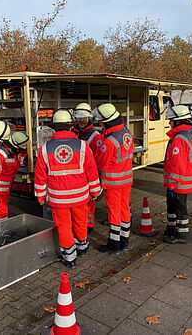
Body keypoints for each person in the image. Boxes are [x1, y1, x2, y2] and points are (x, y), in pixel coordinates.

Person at [34, 110, 100, 269]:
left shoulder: (45, 148)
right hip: (80, 196)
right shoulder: (83, 146)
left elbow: (40, 176)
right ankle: (82, 248)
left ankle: (70, 259)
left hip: (58, 198)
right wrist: (94, 192)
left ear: (54, 129)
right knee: (80, 221)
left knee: (63, 226)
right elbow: (92, 171)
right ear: (71, 126)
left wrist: (40, 196)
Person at [91, 103, 133, 255]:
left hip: (113, 182)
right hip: (126, 180)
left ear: (107, 122)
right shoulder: (126, 132)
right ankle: (124, 242)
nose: (100, 124)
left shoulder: (109, 141)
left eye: (101, 122)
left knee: (114, 213)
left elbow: (101, 163)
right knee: (124, 210)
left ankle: (114, 245)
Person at [163, 105, 192, 244]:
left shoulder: (179, 139)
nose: (169, 122)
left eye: (171, 120)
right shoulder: (189, 134)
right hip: (184, 181)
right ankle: (172, 229)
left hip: (179, 183)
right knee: (173, 207)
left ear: (178, 121)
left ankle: (181, 235)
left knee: (180, 208)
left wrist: (172, 185)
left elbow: (177, 166)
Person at [71, 102, 104, 233]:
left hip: (88, 176)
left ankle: (88, 225)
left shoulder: (95, 136)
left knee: (88, 203)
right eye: (79, 117)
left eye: (84, 117)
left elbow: (100, 159)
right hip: (75, 176)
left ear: (89, 117)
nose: (81, 120)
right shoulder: (72, 133)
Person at [0, 132, 29, 221]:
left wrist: (26, 159)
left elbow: (18, 160)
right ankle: (2, 223)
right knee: (1, 203)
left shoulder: (13, 151)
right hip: (0, 184)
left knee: (3, 202)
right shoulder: (2, 153)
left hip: (8, 183)